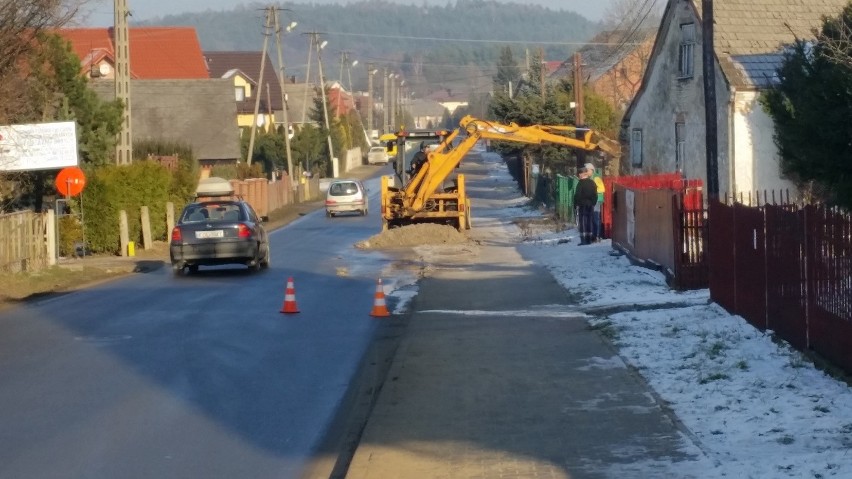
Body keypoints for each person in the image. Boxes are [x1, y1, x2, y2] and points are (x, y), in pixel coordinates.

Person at [573, 164, 598, 245]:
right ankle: (589, 239)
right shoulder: (592, 183)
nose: (579, 175)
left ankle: (583, 240)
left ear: (582, 174)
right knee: (589, 221)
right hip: (590, 205)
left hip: (582, 205)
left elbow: (577, 195)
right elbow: (595, 195)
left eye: (579, 174)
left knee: (583, 222)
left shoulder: (580, 184)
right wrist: (593, 203)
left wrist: (576, 204)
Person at [585, 162, 605, 242]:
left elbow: (602, 189)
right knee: (592, 218)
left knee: (596, 218)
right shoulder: (590, 178)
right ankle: (594, 235)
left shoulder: (596, 178)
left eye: (587, 170)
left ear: (591, 170)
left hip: (597, 200)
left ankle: (597, 236)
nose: (586, 172)